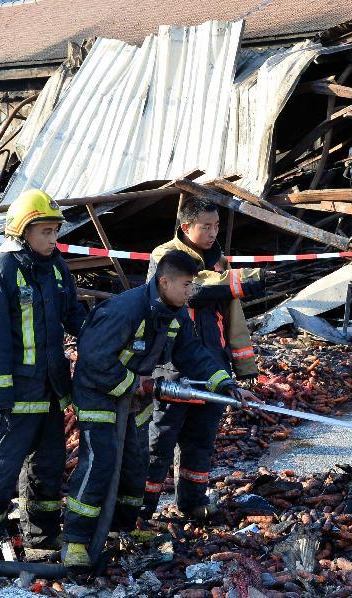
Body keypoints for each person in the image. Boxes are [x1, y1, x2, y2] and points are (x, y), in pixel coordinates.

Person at [61, 250, 257, 567]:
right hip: (99, 395)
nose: (191, 292)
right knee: (100, 463)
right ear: (164, 281)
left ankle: (121, 529)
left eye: (193, 284)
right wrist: (132, 382)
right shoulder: (126, 309)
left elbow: (192, 353)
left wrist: (225, 383)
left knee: (137, 464)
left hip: (133, 401)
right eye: (186, 285)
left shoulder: (176, 312)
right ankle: (77, 541)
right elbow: (93, 357)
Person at [0, 189, 87, 560]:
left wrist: (108, 333)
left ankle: (40, 539)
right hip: (13, 393)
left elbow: (73, 316)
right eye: (44, 232)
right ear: (22, 231)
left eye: (54, 231)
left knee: (47, 466)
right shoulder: (1, 270)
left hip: (49, 390)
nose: (52, 239)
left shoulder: (56, 269)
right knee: (2, 464)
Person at [141, 197, 264, 521]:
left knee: (201, 439)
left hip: (213, 362)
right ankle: (142, 509)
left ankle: (193, 503)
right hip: (173, 366)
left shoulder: (219, 262)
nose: (212, 233)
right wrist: (240, 280)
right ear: (186, 227)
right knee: (160, 440)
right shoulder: (164, 256)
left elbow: (232, 314)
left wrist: (243, 366)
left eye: (217, 226)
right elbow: (197, 288)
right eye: (205, 226)